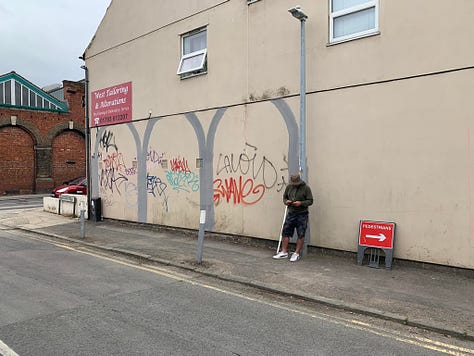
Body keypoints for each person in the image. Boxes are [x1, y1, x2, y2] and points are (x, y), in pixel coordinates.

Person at [273, 173, 313, 262]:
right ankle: (284, 251)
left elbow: (310, 201)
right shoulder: (289, 187)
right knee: (285, 231)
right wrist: (286, 201)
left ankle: (296, 253)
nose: (294, 185)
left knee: (301, 233)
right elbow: (284, 197)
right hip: (291, 212)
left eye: (296, 184)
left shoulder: (306, 188)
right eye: (293, 184)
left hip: (302, 214)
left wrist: (301, 203)